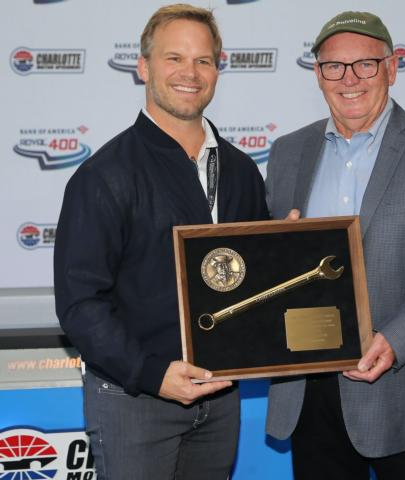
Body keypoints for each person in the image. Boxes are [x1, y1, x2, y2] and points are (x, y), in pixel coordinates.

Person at [54, 4, 268, 479]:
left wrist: (288, 253)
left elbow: (251, 279)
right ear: (144, 66)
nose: (189, 73)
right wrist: (154, 375)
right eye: (174, 58)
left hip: (221, 399)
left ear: (218, 68)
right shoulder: (103, 176)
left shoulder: (242, 171)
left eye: (204, 60)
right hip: (135, 401)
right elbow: (80, 303)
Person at [265, 10, 405, 480]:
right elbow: (272, 266)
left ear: (392, 68)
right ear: (318, 75)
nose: (349, 79)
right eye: (334, 67)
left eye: (365, 64)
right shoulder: (287, 153)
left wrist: (395, 341)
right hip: (310, 392)